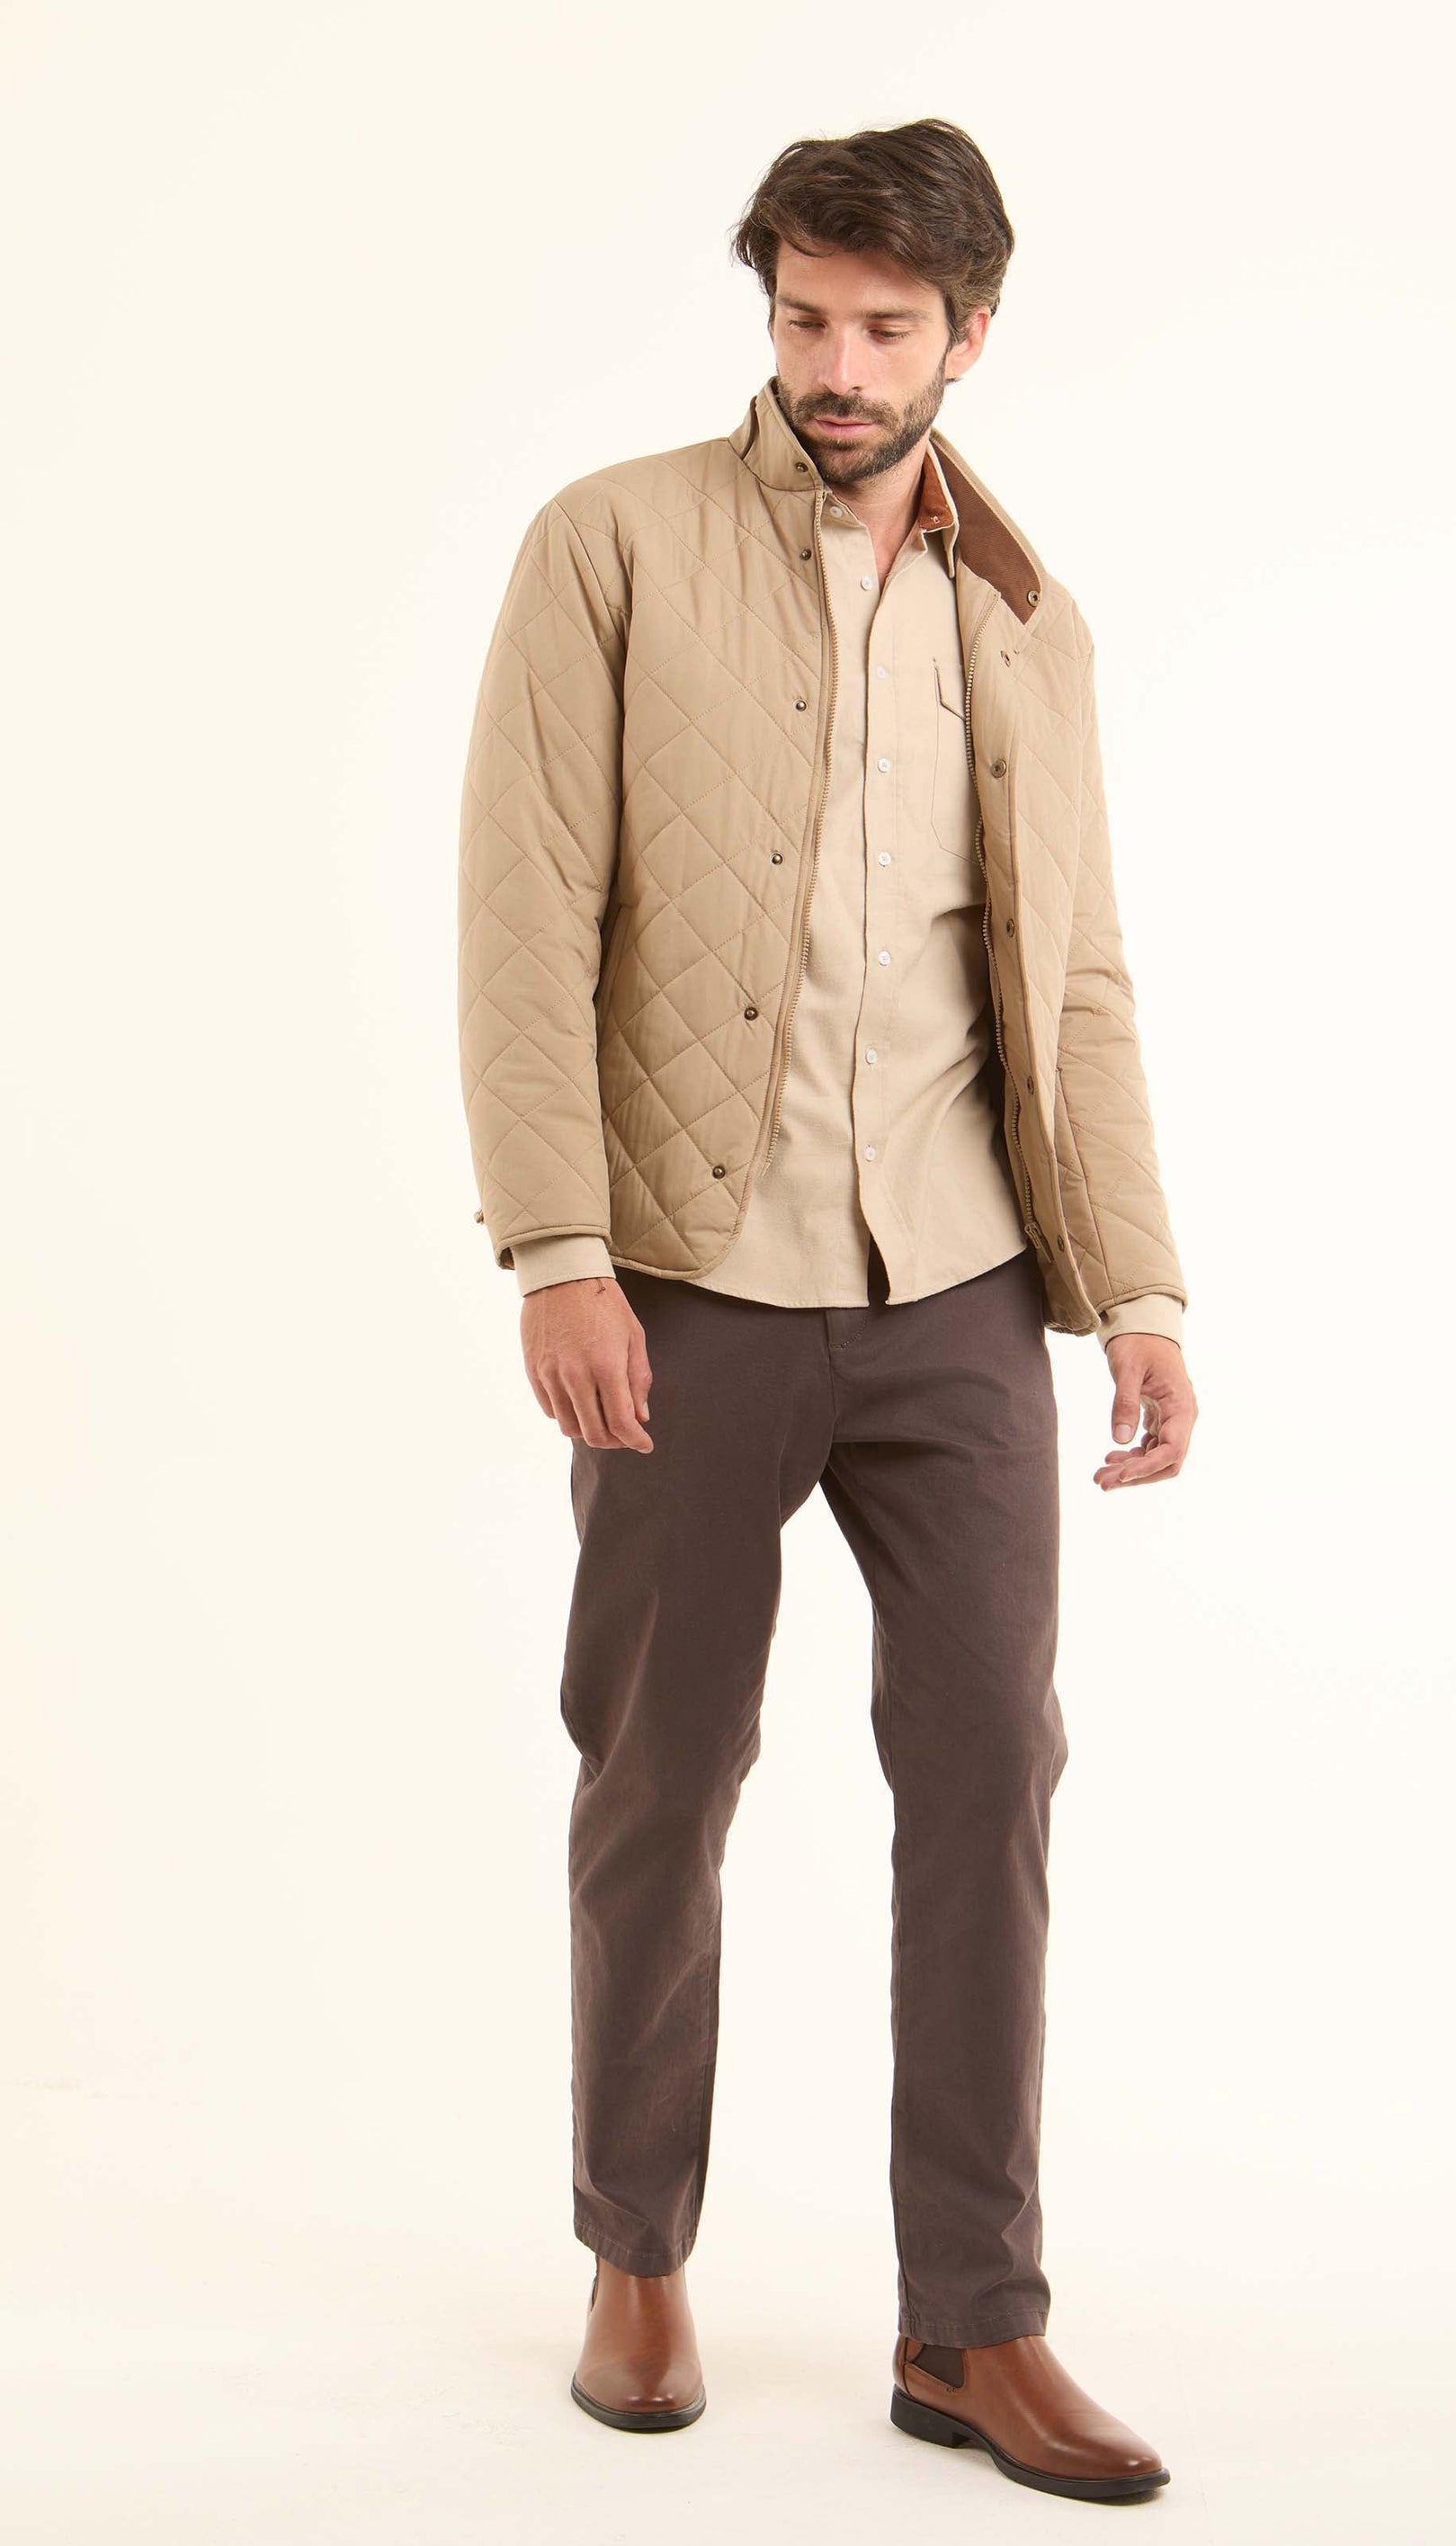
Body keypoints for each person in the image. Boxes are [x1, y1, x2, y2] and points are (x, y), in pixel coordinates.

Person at [456, 117, 1197, 2505]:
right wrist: (559, 1250)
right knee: (659, 1775)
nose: (839, 368)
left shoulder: (1031, 621)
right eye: (803, 318)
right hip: (689, 1287)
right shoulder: (611, 544)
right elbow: (524, 913)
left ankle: (972, 2322)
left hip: (963, 1294)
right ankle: (635, 2253)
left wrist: (1137, 1285)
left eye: (886, 328)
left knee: (991, 1778)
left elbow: (1076, 981)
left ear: (972, 333)